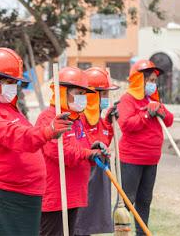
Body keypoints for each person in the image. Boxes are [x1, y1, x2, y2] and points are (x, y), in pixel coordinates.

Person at [0, 48, 73, 236]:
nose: (13, 86)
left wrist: (49, 131)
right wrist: (48, 131)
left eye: (15, 82)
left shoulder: (10, 109)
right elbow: (15, 136)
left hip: (25, 197)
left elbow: (29, 135)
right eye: (9, 81)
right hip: (2, 196)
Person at [36, 67, 110, 236]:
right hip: (55, 196)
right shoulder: (49, 118)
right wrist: (86, 154)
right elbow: (60, 152)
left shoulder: (76, 119)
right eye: (78, 93)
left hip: (73, 194)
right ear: (63, 92)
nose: (83, 98)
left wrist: (94, 151)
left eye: (84, 94)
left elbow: (81, 147)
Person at [117, 60, 174, 236]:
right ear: (138, 79)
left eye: (154, 81)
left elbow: (169, 120)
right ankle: (121, 233)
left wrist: (160, 111)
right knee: (126, 201)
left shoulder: (153, 99)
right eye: (149, 80)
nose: (152, 84)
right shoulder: (127, 99)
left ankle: (142, 233)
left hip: (151, 159)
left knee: (145, 200)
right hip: (132, 159)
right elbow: (126, 125)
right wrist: (146, 114)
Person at [74, 67, 119, 235]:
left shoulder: (99, 118)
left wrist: (109, 123)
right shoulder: (79, 117)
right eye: (104, 94)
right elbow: (84, 145)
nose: (107, 98)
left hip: (99, 173)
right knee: (81, 221)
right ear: (93, 95)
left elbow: (103, 142)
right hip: (85, 174)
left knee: (91, 220)